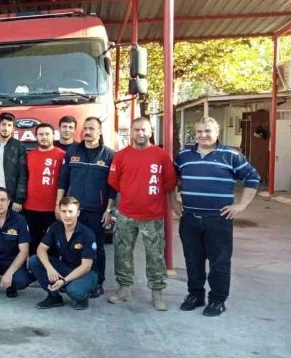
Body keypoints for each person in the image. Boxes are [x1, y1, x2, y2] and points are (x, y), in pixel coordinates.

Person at [172, 116, 259, 317]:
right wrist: (173, 201)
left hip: (218, 220)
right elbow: (171, 178)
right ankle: (195, 295)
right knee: (193, 260)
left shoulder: (231, 155)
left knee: (219, 262)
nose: (203, 135)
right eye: (199, 131)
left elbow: (252, 178)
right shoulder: (185, 155)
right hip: (190, 218)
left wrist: (241, 205)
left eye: (208, 131)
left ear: (217, 133)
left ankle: (217, 300)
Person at [107, 118, 177, 310]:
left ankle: (157, 292)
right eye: (136, 130)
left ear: (151, 131)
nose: (140, 133)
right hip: (126, 214)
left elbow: (169, 183)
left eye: (144, 130)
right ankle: (124, 289)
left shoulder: (161, 156)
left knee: (155, 256)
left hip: (153, 216)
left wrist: (171, 202)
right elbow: (115, 182)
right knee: (122, 253)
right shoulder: (121, 156)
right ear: (131, 132)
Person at [56, 116, 115, 297]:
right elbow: (63, 179)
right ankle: (73, 277)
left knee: (96, 246)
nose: (88, 132)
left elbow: (113, 186)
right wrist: (59, 205)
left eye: (92, 128)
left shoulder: (109, 155)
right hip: (71, 210)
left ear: (99, 131)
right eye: (86, 128)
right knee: (70, 244)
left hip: (95, 209)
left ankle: (98, 281)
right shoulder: (72, 151)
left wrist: (108, 210)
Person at [30, 196, 98, 310]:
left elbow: (86, 266)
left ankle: (83, 296)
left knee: (74, 291)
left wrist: (64, 281)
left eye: (71, 211)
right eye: (64, 211)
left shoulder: (87, 234)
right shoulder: (55, 227)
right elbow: (41, 249)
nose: (67, 215)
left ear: (78, 213)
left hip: (87, 273)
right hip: (66, 267)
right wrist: (49, 268)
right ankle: (54, 297)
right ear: (59, 212)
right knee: (34, 260)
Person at [24, 123, 66, 250]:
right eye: (41, 134)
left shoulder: (63, 155)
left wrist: (59, 206)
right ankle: (32, 268)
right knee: (32, 243)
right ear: (36, 136)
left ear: (54, 135)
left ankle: (51, 270)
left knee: (52, 245)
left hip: (53, 209)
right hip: (30, 208)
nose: (44, 137)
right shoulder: (28, 156)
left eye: (47, 134)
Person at [0, 112, 27, 211]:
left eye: (9, 125)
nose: (6, 128)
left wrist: (19, 200)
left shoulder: (19, 147)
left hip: (11, 197)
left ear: (13, 128)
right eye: (3, 124)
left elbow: (23, 175)